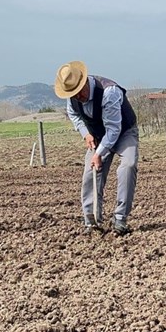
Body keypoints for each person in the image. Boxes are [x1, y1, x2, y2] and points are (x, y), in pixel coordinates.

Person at [54, 61, 139, 236]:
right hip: (98, 135)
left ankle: (120, 219)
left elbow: (114, 130)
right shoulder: (72, 98)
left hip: (123, 132)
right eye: (73, 95)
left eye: (79, 92)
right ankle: (91, 221)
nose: (78, 97)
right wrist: (86, 134)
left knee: (128, 165)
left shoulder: (109, 92)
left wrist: (99, 153)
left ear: (84, 81)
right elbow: (74, 115)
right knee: (90, 174)